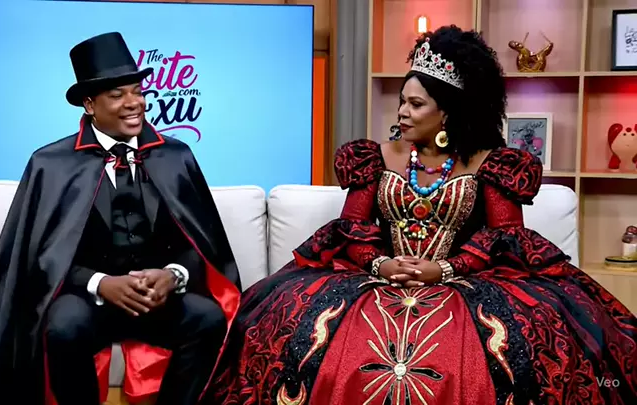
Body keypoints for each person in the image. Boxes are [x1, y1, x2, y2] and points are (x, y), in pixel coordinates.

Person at [204, 26, 637, 404]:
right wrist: (381, 264)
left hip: (464, 282)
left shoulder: (491, 162)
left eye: (415, 104)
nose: (402, 112)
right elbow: (352, 228)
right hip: (378, 277)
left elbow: (506, 237)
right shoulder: (374, 156)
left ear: (447, 111)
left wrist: (445, 269)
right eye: (401, 102)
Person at [0, 32, 241, 405]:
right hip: (87, 300)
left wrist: (172, 276)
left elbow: (198, 245)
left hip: (157, 299)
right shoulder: (51, 164)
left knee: (208, 319)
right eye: (117, 95)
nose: (134, 103)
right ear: (89, 104)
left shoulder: (175, 157)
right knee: (62, 326)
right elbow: (42, 258)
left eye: (137, 91)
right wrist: (100, 284)